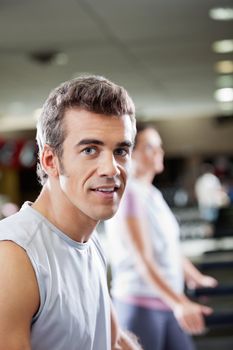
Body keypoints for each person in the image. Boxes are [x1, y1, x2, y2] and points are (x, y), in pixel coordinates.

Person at [0, 75, 143, 350]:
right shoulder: (14, 257)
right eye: (90, 149)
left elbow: (114, 341)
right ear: (51, 161)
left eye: (121, 150)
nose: (111, 169)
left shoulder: (90, 242)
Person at [105, 123, 218, 350]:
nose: (159, 152)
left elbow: (169, 248)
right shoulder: (129, 195)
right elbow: (142, 259)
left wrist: (194, 276)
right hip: (140, 306)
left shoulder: (152, 194)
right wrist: (180, 303)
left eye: (159, 146)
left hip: (166, 301)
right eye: (149, 147)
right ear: (130, 154)